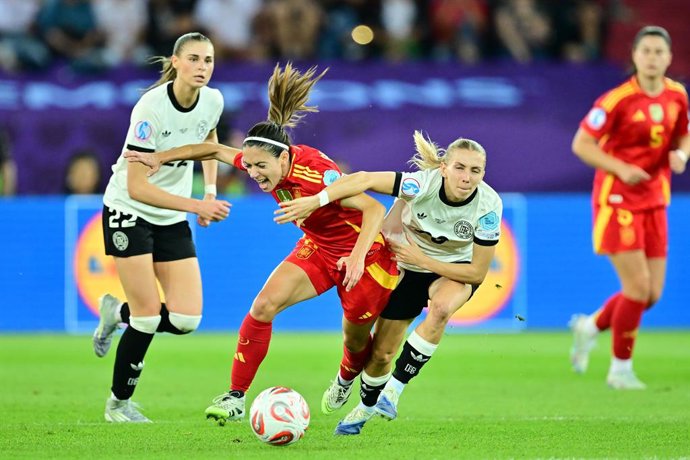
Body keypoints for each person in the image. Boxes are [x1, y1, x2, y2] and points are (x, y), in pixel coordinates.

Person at [123, 63, 400, 425]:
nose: (252, 174)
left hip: (365, 257)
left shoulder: (317, 173)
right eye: (249, 166)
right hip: (318, 248)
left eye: (259, 167)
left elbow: (373, 208)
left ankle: (346, 377)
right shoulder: (264, 157)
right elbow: (214, 150)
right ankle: (235, 397)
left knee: (355, 342)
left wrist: (358, 257)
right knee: (263, 306)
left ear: (284, 158)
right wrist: (159, 157)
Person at [275, 130, 502, 435]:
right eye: (459, 167)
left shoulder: (489, 206)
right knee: (380, 354)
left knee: (442, 309)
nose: (466, 177)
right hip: (406, 266)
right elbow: (365, 178)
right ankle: (365, 403)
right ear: (444, 168)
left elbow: (476, 274)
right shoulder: (422, 184)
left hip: (453, 270)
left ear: (483, 173)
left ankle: (394, 391)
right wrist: (317, 200)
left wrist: (425, 261)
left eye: (475, 170)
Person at [92, 32, 231, 423]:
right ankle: (118, 404)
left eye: (208, 60)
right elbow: (137, 185)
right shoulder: (150, 109)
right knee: (149, 317)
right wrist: (196, 204)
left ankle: (114, 313)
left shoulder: (214, 101)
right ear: (175, 62)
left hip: (170, 216)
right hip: (128, 210)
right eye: (194, 59)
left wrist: (210, 188)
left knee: (187, 320)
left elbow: (209, 138)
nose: (202, 67)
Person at [569, 25, 689, 390]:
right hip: (617, 199)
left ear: (669, 57)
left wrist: (682, 154)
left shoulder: (677, 95)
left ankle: (590, 326)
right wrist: (621, 168)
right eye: (646, 51)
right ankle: (619, 370)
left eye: (659, 52)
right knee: (636, 289)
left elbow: (683, 132)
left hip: (655, 200)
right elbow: (582, 144)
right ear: (634, 56)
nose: (652, 58)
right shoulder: (616, 100)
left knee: (650, 295)